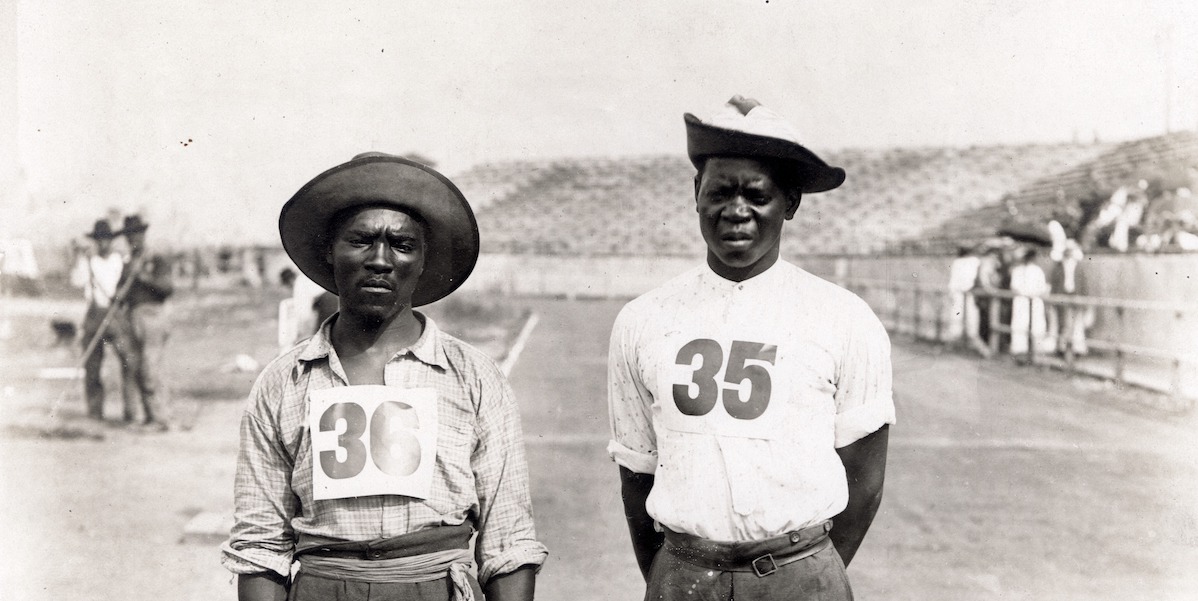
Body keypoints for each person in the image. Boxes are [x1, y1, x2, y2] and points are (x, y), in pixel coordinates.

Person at [222, 152, 547, 601]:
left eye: (402, 244)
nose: (380, 259)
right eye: (361, 240)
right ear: (328, 253)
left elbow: (508, 540)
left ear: (423, 259)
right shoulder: (283, 383)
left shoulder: (474, 377)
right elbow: (260, 545)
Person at [607, 96, 895, 601]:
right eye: (720, 192)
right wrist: (671, 575)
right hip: (683, 574)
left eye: (757, 196)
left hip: (801, 576)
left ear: (791, 202)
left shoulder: (843, 317)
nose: (736, 212)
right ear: (697, 193)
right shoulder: (643, 319)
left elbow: (865, 477)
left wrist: (802, 572)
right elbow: (638, 471)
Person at [113, 215, 175, 430]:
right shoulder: (129, 262)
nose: (132, 239)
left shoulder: (155, 258)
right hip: (133, 317)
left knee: (151, 368)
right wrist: (119, 295)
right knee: (136, 367)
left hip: (153, 316)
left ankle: (161, 418)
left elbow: (167, 289)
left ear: (143, 234)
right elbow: (121, 290)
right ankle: (148, 416)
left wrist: (143, 277)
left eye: (136, 234)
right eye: (129, 236)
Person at [69, 219, 127, 420]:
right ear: (95, 242)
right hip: (94, 316)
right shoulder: (89, 262)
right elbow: (77, 281)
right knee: (92, 367)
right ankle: (95, 413)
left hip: (115, 316)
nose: (103, 244)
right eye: (99, 240)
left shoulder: (119, 261)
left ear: (111, 241)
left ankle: (131, 411)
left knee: (128, 361)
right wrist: (78, 257)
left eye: (107, 240)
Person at [1007, 245, 1050, 359]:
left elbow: (1041, 288)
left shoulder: (1036, 271)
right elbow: (1014, 287)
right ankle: (1021, 352)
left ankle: (1035, 352)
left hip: (1033, 300)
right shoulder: (1019, 270)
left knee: (1036, 324)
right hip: (1022, 300)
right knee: (1021, 324)